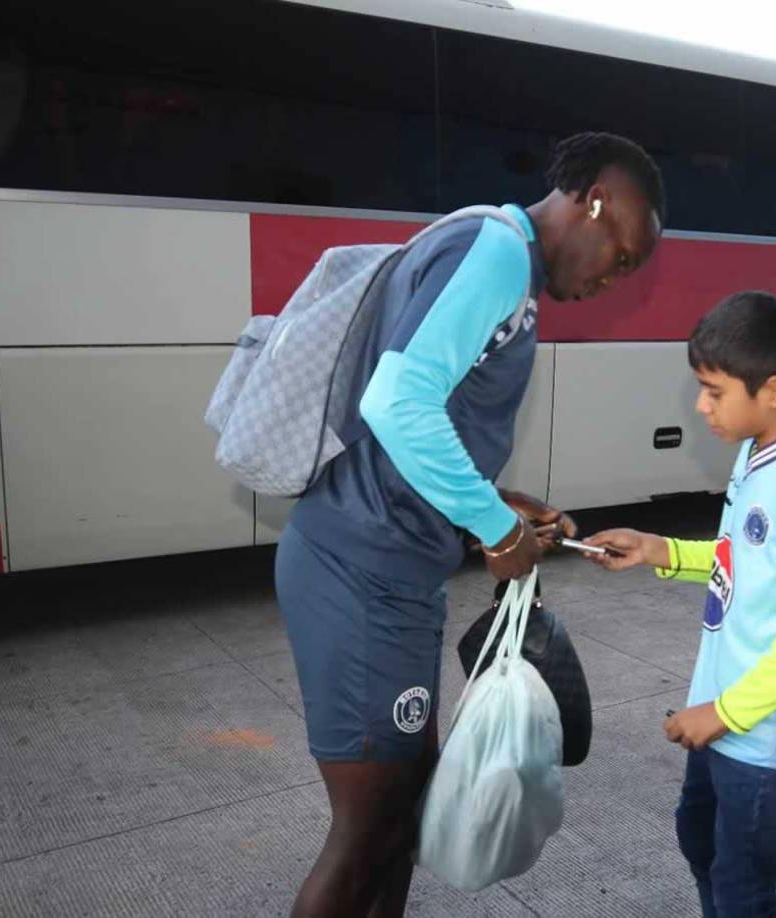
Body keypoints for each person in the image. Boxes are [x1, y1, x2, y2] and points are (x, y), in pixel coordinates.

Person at [274, 132, 665, 918]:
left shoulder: (501, 261)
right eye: (621, 255)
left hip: (392, 574)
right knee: (364, 835)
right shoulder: (495, 253)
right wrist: (495, 528)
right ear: (597, 203)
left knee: (399, 817)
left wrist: (499, 503)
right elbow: (397, 404)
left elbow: (422, 426)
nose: (611, 280)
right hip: (359, 576)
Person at [585, 292, 776, 918]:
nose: (701, 406)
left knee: (742, 888)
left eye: (713, 391)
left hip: (761, 738)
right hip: (723, 713)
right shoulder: (757, 451)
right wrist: (660, 549)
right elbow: (743, 558)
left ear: (773, 389)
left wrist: (724, 714)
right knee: (700, 842)